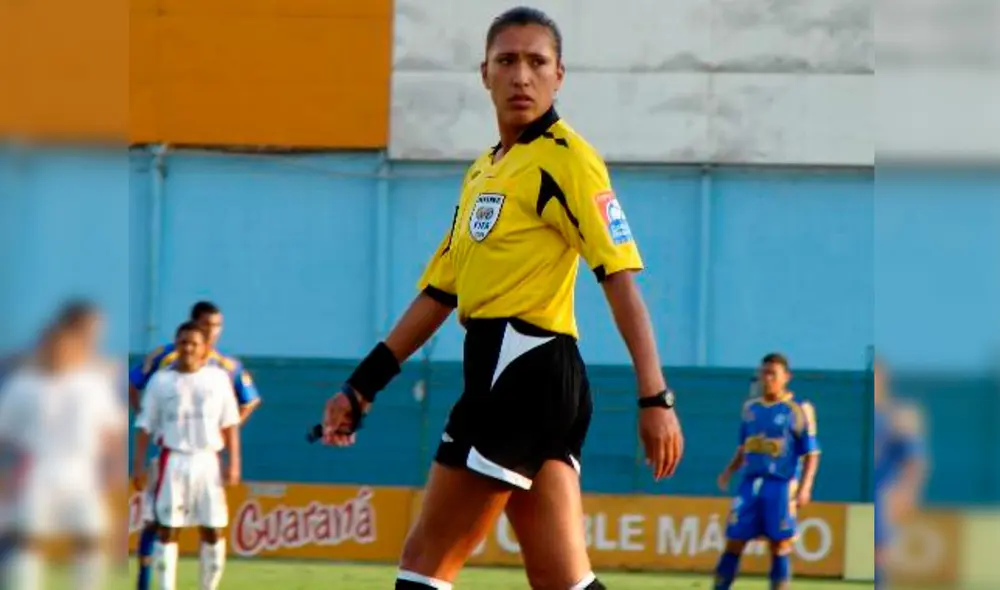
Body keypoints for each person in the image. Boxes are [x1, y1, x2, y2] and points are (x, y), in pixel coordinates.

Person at [320, 7, 684, 589]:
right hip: (520, 376)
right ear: (483, 73)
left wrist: (655, 398)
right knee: (562, 580)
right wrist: (362, 384)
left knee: (424, 565)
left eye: (537, 62)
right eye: (507, 61)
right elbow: (439, 292)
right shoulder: (484, 173)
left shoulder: (568, 160)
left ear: (559, 75)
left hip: (523, 371)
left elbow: (619, 279)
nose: (521, 76)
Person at [129, 300, 260, 590]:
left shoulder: (224, 370)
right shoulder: (163, 365)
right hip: (170, 456)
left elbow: (248, 403)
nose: (212, 332)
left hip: (208, 459)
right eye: (206, 325)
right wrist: (151, 426)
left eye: (216, 326)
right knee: (160, 522)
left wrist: (229, 452)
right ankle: (146, 580)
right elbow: (134, 389)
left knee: (212, 528)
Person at [0, 301, 126, 590]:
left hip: (83, 475)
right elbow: (4, 434)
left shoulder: (92, 384)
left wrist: (115, 477)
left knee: (90, 541)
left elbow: (111, 435)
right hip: (35, 474)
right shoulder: (23, 385)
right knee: (26, 542)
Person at [713, 353, 820, 590]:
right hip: (750, 484)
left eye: (773, 373)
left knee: (779, 545)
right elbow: (745, 446)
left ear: (786, 377)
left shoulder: (798, 410)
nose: (767, 378)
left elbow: (811, 453)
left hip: (780, 485)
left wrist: (805, 487)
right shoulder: (751, 408)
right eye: (764, 372)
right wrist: (729, 471)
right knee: (734, 540)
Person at [873, 357, 926, 589]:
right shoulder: (862, 415)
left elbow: (914, 460)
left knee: (877, 558)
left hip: (880, 497)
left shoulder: (895, 417)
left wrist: (907, 492)